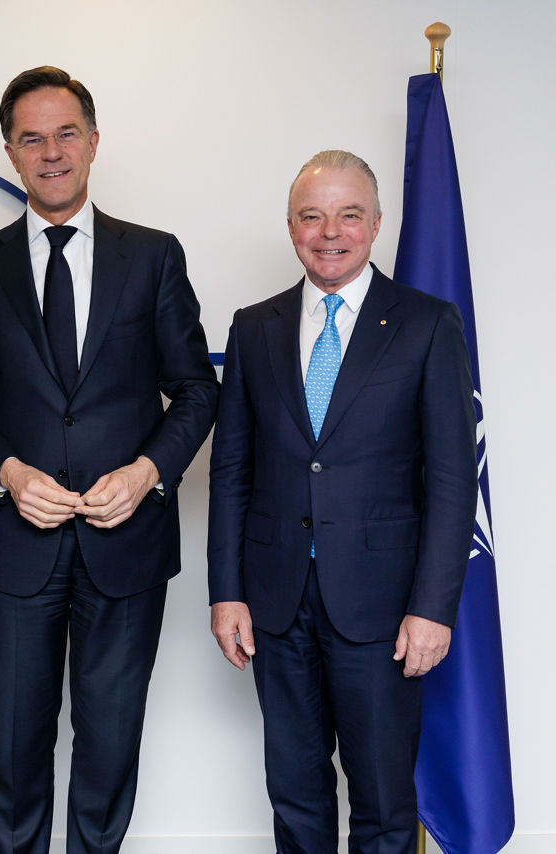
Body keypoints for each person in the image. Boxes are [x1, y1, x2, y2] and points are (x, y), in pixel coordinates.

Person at [0, 67, 219, 853]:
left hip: (126, 545)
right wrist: (8, 474)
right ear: (9, 152)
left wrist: (146, 473)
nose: (51, 151)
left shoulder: (154, 255)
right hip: (20, 547)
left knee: (109, 747)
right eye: (31, 137)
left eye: (67, 133)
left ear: (94, 143)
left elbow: (197, 390)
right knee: (17, 747)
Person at [207, 150, 477, 853]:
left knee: (385, 802)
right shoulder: (254, 326)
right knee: (294, 795)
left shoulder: (426, 323)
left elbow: (451, 479)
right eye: (312, 216)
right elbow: (232, 470)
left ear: (377, 224)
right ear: (291, 227)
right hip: (275, 599)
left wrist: (432, 606)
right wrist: (226, 592)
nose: (331, 231)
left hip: (385, 606)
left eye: (349, 214)